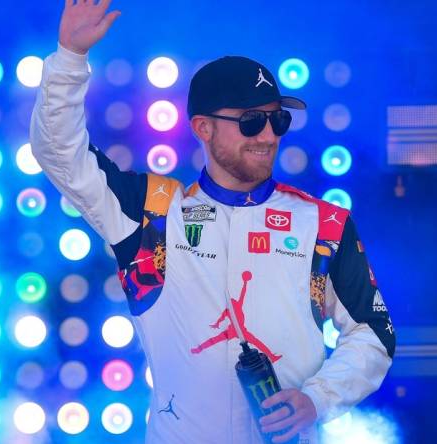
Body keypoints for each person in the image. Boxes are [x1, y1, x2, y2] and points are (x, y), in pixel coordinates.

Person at [30, 1, 396, 443]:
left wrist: (317, 399)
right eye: (251, 121)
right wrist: (69, 58)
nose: (268, 135)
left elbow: (373, 334)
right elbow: (61, 156)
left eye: (278, 119)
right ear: (202, 128)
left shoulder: (323, 223)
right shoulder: (153, 214)